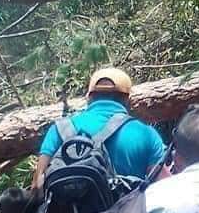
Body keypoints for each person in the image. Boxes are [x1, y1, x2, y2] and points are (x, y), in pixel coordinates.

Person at [33, 67, 168, 188]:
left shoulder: (59, 130)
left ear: (89, 97)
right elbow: (163, 187)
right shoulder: (146, 135)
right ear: (128, 99)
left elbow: (37, 186)